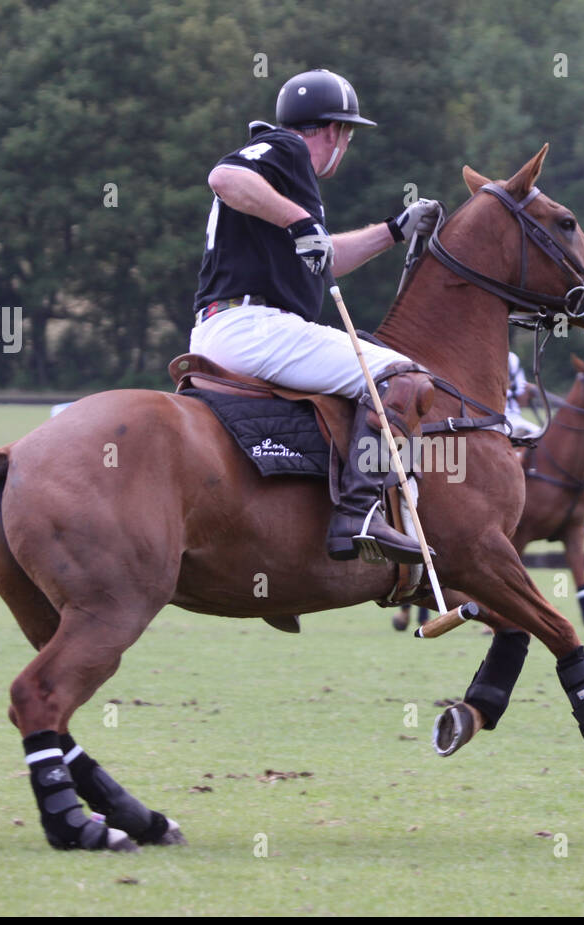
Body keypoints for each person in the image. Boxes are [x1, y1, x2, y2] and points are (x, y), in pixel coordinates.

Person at [190, 69, 442, 563]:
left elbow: (325, 256)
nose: (345, 145)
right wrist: (300, 220)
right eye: (347, 135)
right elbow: (222, 177)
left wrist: (395, 229)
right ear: (335, 131)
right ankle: (359, 512)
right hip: (254, 327)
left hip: (230, 328)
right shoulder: (284, 149)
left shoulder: (286, 178)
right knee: (404, 377)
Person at [506, 351, 543, 439]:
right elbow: (520, 393)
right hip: (507, 420)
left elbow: (520, 391)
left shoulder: (512, 358)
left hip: (513, 418)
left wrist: (529, 389)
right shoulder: (511, 358)